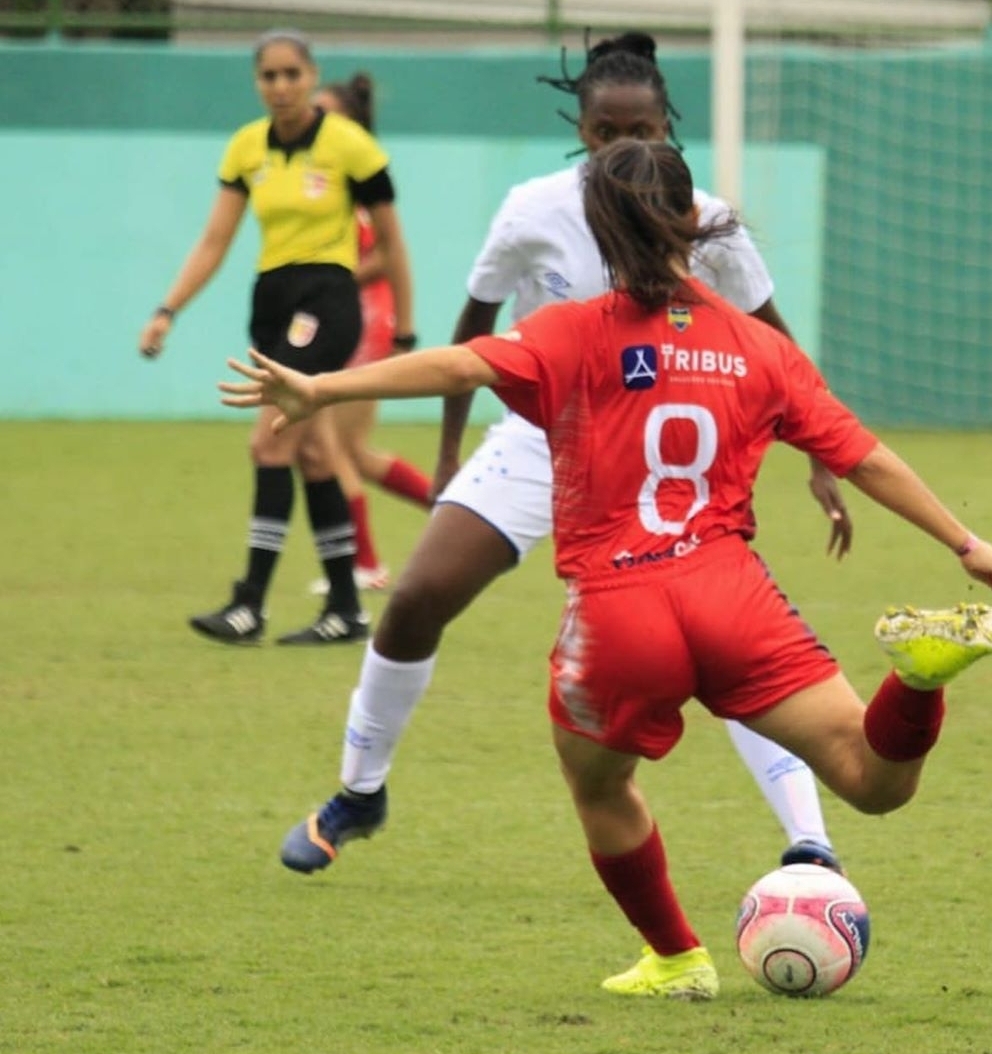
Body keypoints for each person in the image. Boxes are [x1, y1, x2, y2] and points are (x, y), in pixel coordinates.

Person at [219, 137, 992, 1000]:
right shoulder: (758, 349)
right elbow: (866, 457)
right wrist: (966, 544)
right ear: (693, 225)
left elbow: (461, 363)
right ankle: (916, 681)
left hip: (618, 614)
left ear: (603, 237)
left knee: (600, 784)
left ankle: (678, 957)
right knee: (871, 784)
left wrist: (322, 391)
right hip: (733, 596)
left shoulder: (567, 332)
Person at [275, 32, 853, 871]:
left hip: (659, 459)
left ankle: (810, 840)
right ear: (583, 132)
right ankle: (360, 790)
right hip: (543, 443)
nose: (627, 148)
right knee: (415, 600)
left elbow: (777, 344)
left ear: (667, 127)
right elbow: (472, 333)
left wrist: (820, 454)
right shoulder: (532, 209)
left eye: (644, 132)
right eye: (609, 134)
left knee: (717, 642)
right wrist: (446, 455)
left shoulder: (707, 217)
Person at [137, 29, 416, 645]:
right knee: (315, 455)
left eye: (293, 74)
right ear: (257, 82)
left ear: (313, 76)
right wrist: (168, 310)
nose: (282, 86)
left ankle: (249, 604)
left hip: (327, 302)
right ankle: (345, 608)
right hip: (272, 303)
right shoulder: (245, 148)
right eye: (270, 76)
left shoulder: (352, 146)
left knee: (268, 444)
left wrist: (407, 330)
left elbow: (394, 244)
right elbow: (215, 242)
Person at [307, 74, 433, 596]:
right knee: (353, 451)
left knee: (328, 446)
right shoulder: (322, 181)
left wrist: (330, 278)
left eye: (326, 115)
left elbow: (386, 253)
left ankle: (365, 564)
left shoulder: (357, 182)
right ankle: (459, 508)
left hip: (360, 318)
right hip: (355, 315)